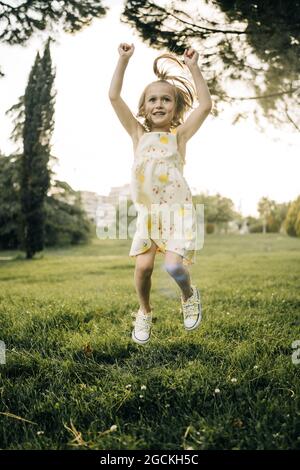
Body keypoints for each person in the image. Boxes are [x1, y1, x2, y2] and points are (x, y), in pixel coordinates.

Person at [108, 43, 212, 345]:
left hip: (178, 213)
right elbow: (114, 97)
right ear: (144, 107)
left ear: (176, 108)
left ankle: (188, 296)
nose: (159, 104)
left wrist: (193, 68)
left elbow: (205, 106)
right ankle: (144, 311)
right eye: (152, 99)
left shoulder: (178, 136)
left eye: (166, 99)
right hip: (149, 215)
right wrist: (123, 60)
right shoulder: (137, 134)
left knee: (173, 266)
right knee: (143, 268)